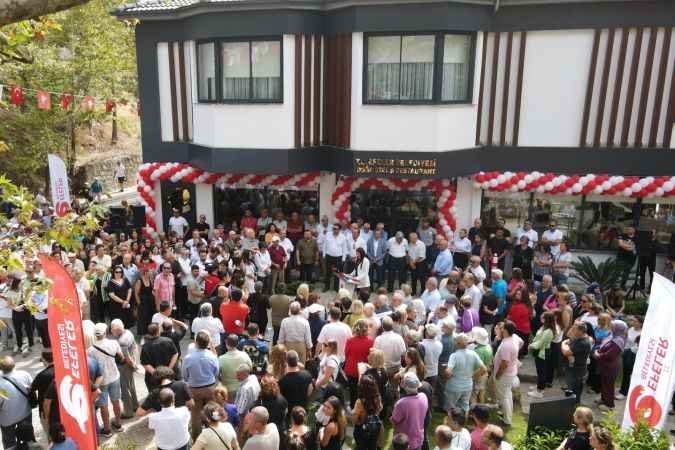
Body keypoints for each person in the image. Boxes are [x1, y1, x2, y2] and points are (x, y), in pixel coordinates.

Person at [182, 331, 219, 441]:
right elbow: (216, 373)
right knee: (213, 412)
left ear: (196, 342)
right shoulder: (212, 356)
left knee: (195, 415)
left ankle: (197, 440)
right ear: (208, 343)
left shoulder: (188, 358)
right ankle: (214, 434)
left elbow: (184, 375)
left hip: (194, 390)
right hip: (210, 388)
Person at [89, 322, 124, 434]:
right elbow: (121, 357)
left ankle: (107, 429)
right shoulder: (114, 343)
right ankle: (118, 424)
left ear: (95, 335)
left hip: (100, 380)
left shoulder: (90, 350)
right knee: (116, 401)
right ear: (105, 332)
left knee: (103, 405)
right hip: (114, 376)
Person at [445, 333, 486, 414]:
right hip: (467, 385)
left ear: (458, 343)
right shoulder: (473, 353)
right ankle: (463, 425)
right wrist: (473, 375)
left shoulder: (454, 356)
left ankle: (450, 425)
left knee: (450, 409)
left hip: (454, 386)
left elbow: (448, 372)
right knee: (465, 407)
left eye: (455, 341)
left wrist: (446, 374)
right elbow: (484, 369)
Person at [0, 356, 34, 449]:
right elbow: (31, 389)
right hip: (25, 413)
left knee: (9, 442)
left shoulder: (1, 384)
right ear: (14, 365)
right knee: (28, 436)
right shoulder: (24, 374)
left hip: (7, 419)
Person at [492, 321, 521, 427]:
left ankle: (506, 420)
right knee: (507, 395)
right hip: (510, 372)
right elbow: (521, 343)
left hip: (504, 375)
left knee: (504, 397)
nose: (500, 328)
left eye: (502, 327)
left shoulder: (506, 345)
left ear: (505, 330)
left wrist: (498, 375)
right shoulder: (515, 338)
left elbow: (504, 363)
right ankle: (506, 415)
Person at [110, 318, 139, 418]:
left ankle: (128, 411)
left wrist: (133, 365)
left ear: (117, 330)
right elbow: (135, 347)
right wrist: (135, 362)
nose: (111, 332)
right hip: (130, 365)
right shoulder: (129, 333)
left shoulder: (122, 341)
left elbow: (126, 357)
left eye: (112, 330)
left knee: (125, 389)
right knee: (131, 386)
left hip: (124, 366)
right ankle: (135, 405)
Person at [391, 373, 428, 450]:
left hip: (403, 443)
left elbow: (394, 421)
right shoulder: (424, 396)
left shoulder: (401, 403)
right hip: (418, 439)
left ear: (404, 386)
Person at [595, 320, 626, 411]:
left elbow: (610, 355)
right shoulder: (613, 336)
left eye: (613, 326)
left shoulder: (618, 341)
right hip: (605, 365)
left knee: (608, 385)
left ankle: (609, 404)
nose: (611, 327)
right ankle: (603, 399)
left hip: (610, 366)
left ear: (618, 328)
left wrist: (598, 355)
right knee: (604, 383)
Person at [141, 322, 179, 390]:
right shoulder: (168, 341)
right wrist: (169, 369)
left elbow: (145, 364)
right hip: (168, 376)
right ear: (158, 331)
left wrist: (157, 374)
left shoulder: (145, 346)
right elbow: (175, 354)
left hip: (153, 379)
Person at [561, 322, 592, 404]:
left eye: (574, 329)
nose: (572, 331)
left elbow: (566, 352)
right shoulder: (578, 338)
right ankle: (571, 404)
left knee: (574, 391)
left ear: (581, 331)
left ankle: (573, 407)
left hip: (577, 371)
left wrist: (563, 344)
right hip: (572, 368)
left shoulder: (583, 343)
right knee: (571, 388)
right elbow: (569, 338)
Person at [528, 311, 555, 399]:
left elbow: (540, 343)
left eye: (543, 317)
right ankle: (539, 386)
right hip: (539, 351)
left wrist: (531, 346)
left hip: (542, 353)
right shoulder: (544, 327)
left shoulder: (548, 331)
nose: (541, 318)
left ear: (547, 319)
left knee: (541, 372)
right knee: (539, 371)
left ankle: (540, 391)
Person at [352, 374, 383, 450]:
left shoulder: (360, 402)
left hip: (362, 429)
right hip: (375, 427)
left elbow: (354, 419)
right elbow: (380, 408)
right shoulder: (377, 397)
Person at [618, 315, 642, 399]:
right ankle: (624, 391)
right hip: (626, 353)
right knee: (626, 373)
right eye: (632, 321)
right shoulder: (630, 329)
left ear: (640, 323)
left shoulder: (642, 333)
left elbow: (638, 347)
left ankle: (625, 392)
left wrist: (627, 351)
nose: (632, 322)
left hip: (633, 355)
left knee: (630, 373)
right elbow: (625, 340)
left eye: (635, 321)